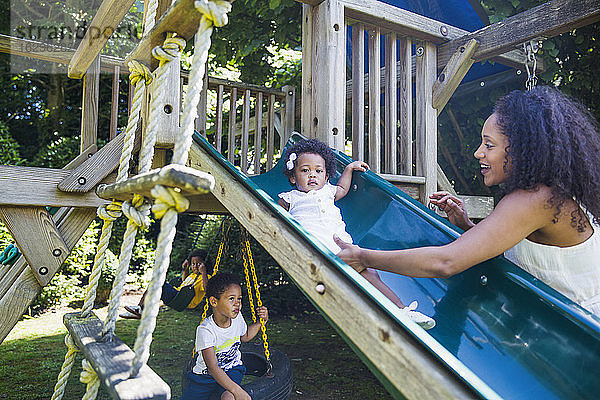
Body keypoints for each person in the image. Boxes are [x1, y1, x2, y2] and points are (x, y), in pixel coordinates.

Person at [335, 86, 600, 317]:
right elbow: (513, 252)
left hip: (582, 335)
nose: (478, 152)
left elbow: (445, 263)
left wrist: (362, 257)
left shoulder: (534, 200)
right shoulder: (550, 193)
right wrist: (466, 225)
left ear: (523, 149)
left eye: (489, 145)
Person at [278, 138, 436, 329]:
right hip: (318, 250)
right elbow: (278, 218)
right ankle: (391, 313)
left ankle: (400, 310)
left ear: (326, 177)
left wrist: (349, 169)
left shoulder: (328, 191)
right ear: (293, 177)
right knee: (357, 279)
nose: (312, 175)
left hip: (344, 247)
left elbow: (343, 189)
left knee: (371, 273)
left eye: (318, 171)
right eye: (305, 170)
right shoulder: (290, 198)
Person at [181, 273, 269, 400]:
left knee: (229, 398)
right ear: (214, 301)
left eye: (239, 299)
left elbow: (245, 336)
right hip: (204, 377)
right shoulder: (206, 330)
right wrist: (237, 390)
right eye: (231, 299)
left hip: (232, 370)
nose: (237, 304)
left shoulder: (237, 318)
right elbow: (213, 367)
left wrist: (261, 322)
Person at [120, 249, 210, 319]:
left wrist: (204, 273)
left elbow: (207, 290)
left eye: (199, 264)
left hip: (183, 300)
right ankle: (140, 309)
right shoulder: (193, 275)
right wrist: (186, 270)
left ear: (204, 264)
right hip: (178, 295)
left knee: (157, 282)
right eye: (193, 263)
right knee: (154, 285)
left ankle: (140, 310)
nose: (195, 266)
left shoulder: (206, 277)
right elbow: (184, 283)